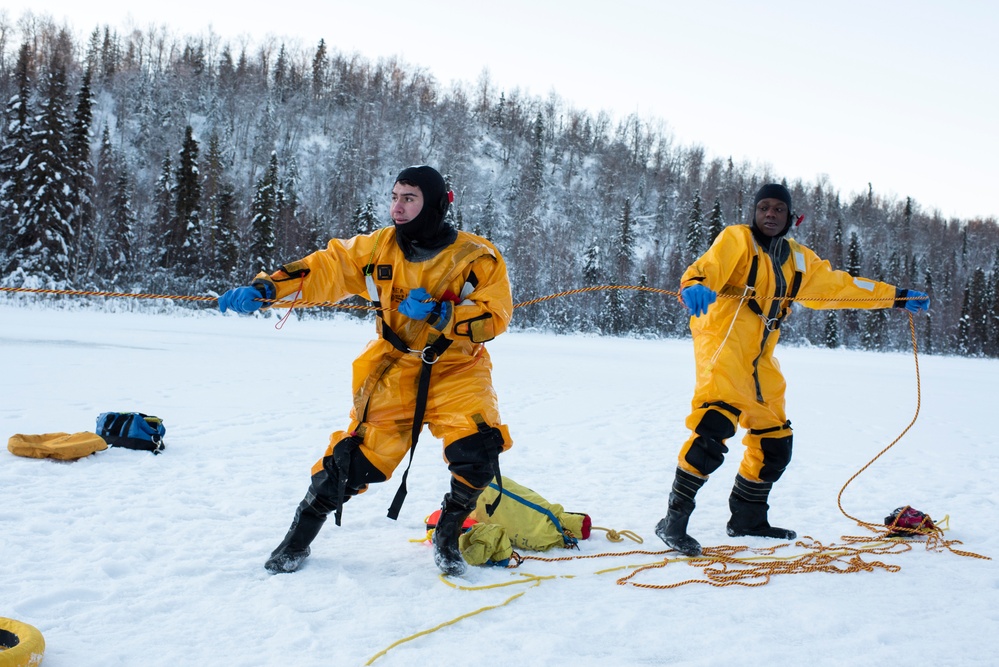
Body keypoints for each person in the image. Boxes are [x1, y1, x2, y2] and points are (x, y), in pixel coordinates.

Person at [218, 165, 514, 576]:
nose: (398, 207)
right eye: (394, 197)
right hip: (393, 370)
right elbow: (323, 268)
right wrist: (268, 290)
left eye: (409, 198)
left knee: (478, 450)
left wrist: (442, 312)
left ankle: (448, 535)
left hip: (457, 369)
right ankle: (297, 539)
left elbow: (496, 317)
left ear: (435, 203)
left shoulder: (477, 257)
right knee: (352, 462)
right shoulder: (376, 250)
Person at [655, 183, 930, 557]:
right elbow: (708, 268)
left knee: (776, 442)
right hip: (722, 345)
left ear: (789, 217)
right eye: (764, 208)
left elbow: (841, 287)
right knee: (715, 426)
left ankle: (747, 519)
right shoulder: (737, 239)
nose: (770, 214)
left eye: (779, 210)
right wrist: (694, 286)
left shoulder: (798, 259)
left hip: (761, 360)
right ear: (754, 212)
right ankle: (673, 521)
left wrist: (896, 296)